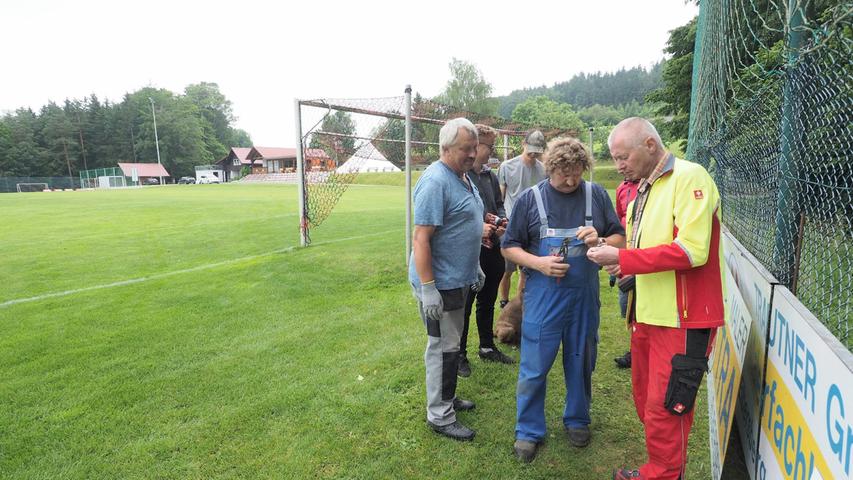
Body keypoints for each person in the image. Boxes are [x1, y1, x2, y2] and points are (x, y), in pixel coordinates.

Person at [587, 118, 724, 480]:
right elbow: (645, 248)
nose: (618, 165)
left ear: (650, 144)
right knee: (646, 399)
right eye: (614, 158)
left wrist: (623, 259)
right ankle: (659, 468)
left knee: (667, 408)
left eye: (622, 156)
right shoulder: (641, 190)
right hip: (647, 315)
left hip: (683, 319)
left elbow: (693, 251)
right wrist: (627, 266)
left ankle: (662, 473)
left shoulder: (690, 177)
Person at [501, 137, 625, 462]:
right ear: (550, 169)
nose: (570, 181)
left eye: (577, 173)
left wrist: (600, 238)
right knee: (534, 366)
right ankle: (528, 431)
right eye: (563, 175)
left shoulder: (595, 194)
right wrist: (539, 263)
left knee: (581, 360)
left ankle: (577, 419)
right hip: (543, 297)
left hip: (583, 298)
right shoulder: (531, 200)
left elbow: (619, 238)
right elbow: (509, 245)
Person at [409, 117, 486, 442]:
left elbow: (463, 229)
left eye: (474, 148)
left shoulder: (463, 177)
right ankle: (440, 415)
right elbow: (421, 239)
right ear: (445, 148)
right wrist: (428, 289)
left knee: (452, 345)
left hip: (459, 279)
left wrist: (475, 267)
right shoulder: (435, 182)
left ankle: (447, 397)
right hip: (440, 283)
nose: (472, 154)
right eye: (465, 149)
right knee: (443, 348)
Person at [458, 124, 515, 378]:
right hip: (471, 250)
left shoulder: (490, 177)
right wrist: (483, 225)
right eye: (489, 146)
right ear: (475, 146)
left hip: (494, 249)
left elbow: (499, 205)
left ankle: (486, 346)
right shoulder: (461, 176)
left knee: (488, 299)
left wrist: (502, 222)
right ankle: (459, 355)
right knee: (465, 304)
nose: (490, 151)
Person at [497, 130, 547, 308]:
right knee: (507, 269)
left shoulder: (543, 169)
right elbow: (500, 198)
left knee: (526, 270)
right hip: (511, 225)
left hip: (533, 227)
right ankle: (504, 302)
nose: (533, 154)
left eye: (537, 151)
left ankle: (520, 305)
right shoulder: (506, 166)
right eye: (531, 149)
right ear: (523, 145)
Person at [613, 176, 639, 369]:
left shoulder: (652, 186)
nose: (621, 165)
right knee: (627, 307)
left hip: (644, 257)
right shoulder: (622, 188)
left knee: (641, 309)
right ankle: (635, 349)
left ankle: (637, 352)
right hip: (624, 256)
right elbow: (619, 221)